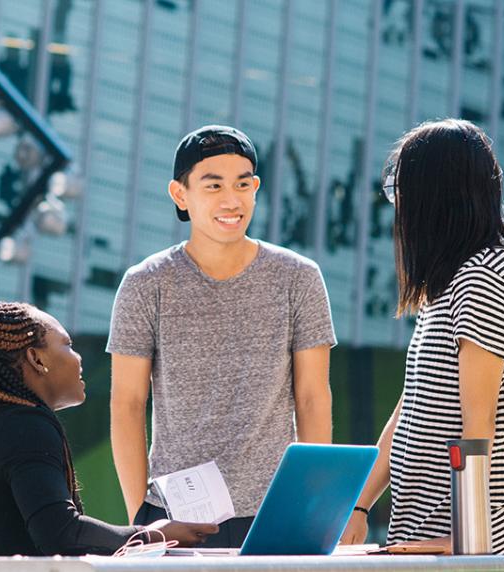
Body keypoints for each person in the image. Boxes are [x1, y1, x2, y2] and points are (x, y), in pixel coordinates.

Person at [108, 125, 337, 548]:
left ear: (256, 189)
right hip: (176, 514)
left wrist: (316, 506)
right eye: (213, 186)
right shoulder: (146, 283)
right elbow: (126, 403)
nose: (231, 200)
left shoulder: (299, 278)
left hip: (277, 508)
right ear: (180, 194)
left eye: (242, 185)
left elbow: (312, 397)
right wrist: (139, 517)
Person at [340, 119, 504, 554]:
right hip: (424, 536)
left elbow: (478, 424)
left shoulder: (485, 275)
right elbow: (409, 409)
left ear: (436, 193)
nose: (399, 204)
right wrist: (360, 507)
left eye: (403, 189)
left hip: (458, 544)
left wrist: (465, 536)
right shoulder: (449, 282)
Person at [0, 302, 217, 557]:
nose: (79, 358)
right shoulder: (24, 425)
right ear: (36, 358)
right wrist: (152, 535)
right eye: (68, 345)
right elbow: (62, 534)